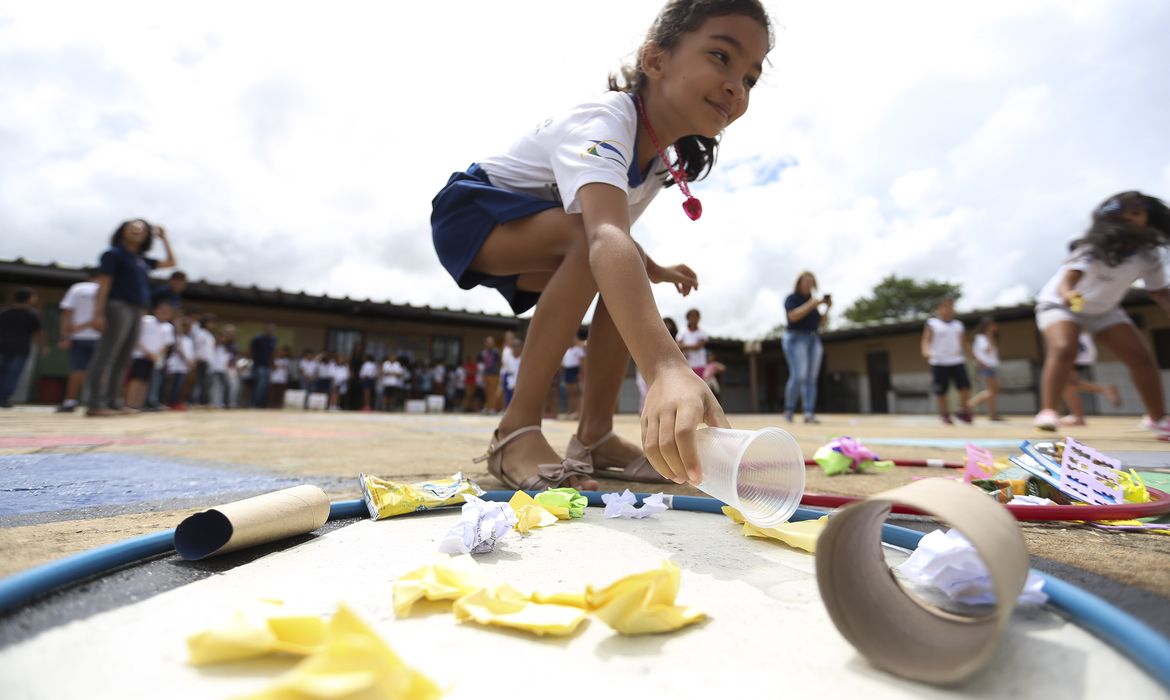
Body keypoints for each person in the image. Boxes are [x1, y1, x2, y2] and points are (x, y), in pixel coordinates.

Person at [429, 0, 765, 487]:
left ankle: (594, 436)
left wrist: (654, 268)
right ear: (656, 61)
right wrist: (668, 367)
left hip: (548, 230)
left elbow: (614, 237)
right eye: (721, 56)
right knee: (595, 251)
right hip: (471, 214)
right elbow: (602, 234)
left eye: (751, 78)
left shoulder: (654, 165)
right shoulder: (604, 120)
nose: (737, 85)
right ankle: (514, 431)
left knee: (616, 277)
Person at [1033, 191, 1170, 434]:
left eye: (1138, 214)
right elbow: (1069, 277)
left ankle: (1157, 418)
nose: (1132, 219)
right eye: (1126, 214)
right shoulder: (1093, 247)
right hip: (1060, 304)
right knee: (1065, 348)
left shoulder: (1149, 256)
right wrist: (1067, 294)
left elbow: (1159, 291)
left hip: (1104, 310)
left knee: (1140, 357)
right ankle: (1048, 411)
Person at [85, 220, 178, 416]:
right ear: (122, 232)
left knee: (124, 357)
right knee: (107, 354)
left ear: (147, 236)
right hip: (118, 306)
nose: (137, 230)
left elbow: (172, 262)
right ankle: (96, 403)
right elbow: (105, 284)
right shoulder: (113, 254)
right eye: (132, 227)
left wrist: (164, 238)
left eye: (142, 229)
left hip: (138, 310)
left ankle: (115, 402)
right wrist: (98, 313)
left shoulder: (142, 260)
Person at [782, 271, 829, 424]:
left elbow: (820, 323)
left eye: (811, 282)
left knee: (811, 378)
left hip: (813, 339)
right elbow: (793, 317)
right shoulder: (792, 298)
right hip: (796, 338)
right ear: (799, 283)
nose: (809, 284)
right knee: (799, 375)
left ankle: (809, 412)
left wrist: (827, 309)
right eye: (806, 281)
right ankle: (789, 410)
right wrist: (811, 304)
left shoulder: (813, 303)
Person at [921, 297, 973, 425]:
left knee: (965, 387)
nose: (949, 309)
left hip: (956, 360)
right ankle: (945, 414)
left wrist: (972, 355)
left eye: (951, 306)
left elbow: (963, 343)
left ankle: (962, 410)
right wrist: (926, 351)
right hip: (939, 361)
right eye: (946, 306)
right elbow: (926, 339)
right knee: (941, 390)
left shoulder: (958, 325)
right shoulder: (932, 323)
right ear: (939, 308)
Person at [56, 269, 101, 412]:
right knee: (100, 371)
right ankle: (96, 402)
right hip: (101, 337)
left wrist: (64, 335)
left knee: (77, 369)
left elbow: (66, 313)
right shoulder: (108, 290)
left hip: (78, 336)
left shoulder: (77, 288)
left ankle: (70, 402)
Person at [1059, 333, 1122, 426]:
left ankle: (1078, 417)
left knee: (1065, 383)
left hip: (1076, 343)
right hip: (1079, 343)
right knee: (1068, 383)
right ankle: (1078, 416)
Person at [0, 288, 48, 408]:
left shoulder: (4, 312)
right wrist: (44, 346)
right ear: (28, 298)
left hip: (2, 347)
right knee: (12, 374)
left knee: (3, 372)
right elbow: (39, 332)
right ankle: (4, 399)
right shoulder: (33, 314)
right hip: (21, 349)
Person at [125, 301, 176, 409]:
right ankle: (129, 403)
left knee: (145, 381)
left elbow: (167, 344)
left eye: (167, 312)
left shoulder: (168, 327)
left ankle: (138, 404)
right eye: (162, 311)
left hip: (155, 358)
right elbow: (136, 337)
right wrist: (147, 352)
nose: (163, 314)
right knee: (136, 379)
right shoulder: (146, 320)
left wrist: (156, 354)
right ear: (156, 310)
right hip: (140, 355)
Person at [966, 316, 1005, 421]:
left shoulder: (985, 337)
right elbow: (986, 350)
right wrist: (990, 338)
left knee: (992, 390)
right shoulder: (982, 338)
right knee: (993, 390)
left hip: (991, 365)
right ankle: (970, 404)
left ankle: (992, 414)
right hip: (987, 366)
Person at [164, 316, 194, 409]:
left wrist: (191, 362)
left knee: (179, 386)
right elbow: (178, 349)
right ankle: (169, 403)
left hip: (183, 366)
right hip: (174, 365)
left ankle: (175, 402)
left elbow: (190, 353)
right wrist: (186, 360)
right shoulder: (176, 337)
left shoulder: (188, 339)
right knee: (171, 385)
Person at [190, 314, 217, 406]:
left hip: (209, 361)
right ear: (205, 323)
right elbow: (198, 348)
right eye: (211, 323)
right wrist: (197, 360)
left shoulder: (210, 335)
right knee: (202, 383)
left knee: (207, 383)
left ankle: (204, 402)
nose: (213, 325)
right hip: (202, 361)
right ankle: (199, 402)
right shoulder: (201, 334)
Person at [249, 323, 277, 408]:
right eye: (269, 328)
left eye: (272, 329)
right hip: (259, 365)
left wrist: (273, 363)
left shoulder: (273, 339)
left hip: (268, 366)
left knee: (266, 386)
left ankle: (262, 404)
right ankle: (255, 404)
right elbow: (251, 350)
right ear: (265, 329)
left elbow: (272, 353)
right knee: (259, 385)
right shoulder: (258, 339)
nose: (270, 330)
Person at [676, 308, 709, 377]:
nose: (694, 319)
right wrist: (692, 346)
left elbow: (698, 347)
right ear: (687, 318)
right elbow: (678, 346)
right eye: (691, 317)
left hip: (699, 365)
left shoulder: (702, 333)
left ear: (699, 318)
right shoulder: (682, 332)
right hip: (685, 365)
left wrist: (685, 346)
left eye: (696, 317)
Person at [560, 334, 586, 419]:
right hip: (568, 371)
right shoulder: (567, 351)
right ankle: (571, 410)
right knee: (570, 393)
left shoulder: (578, 350)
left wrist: (581, 372)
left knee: (576, 392)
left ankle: (577, 411)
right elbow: (564, 363)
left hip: (575, 370)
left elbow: (582, 361)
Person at [479, 337, 502, 414]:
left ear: (493, 343)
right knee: (487, 392)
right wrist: (482, 375)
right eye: (488, 342)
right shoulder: (483, 353)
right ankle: (487, 407)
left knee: (493, 392)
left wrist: (498, 373)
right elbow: (482, 365)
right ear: (485, 343)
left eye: (491, 342)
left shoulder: (496, 352)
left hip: (494, 374)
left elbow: (500, 363)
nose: (489, 344)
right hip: (486, 374)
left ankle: (492, 408)